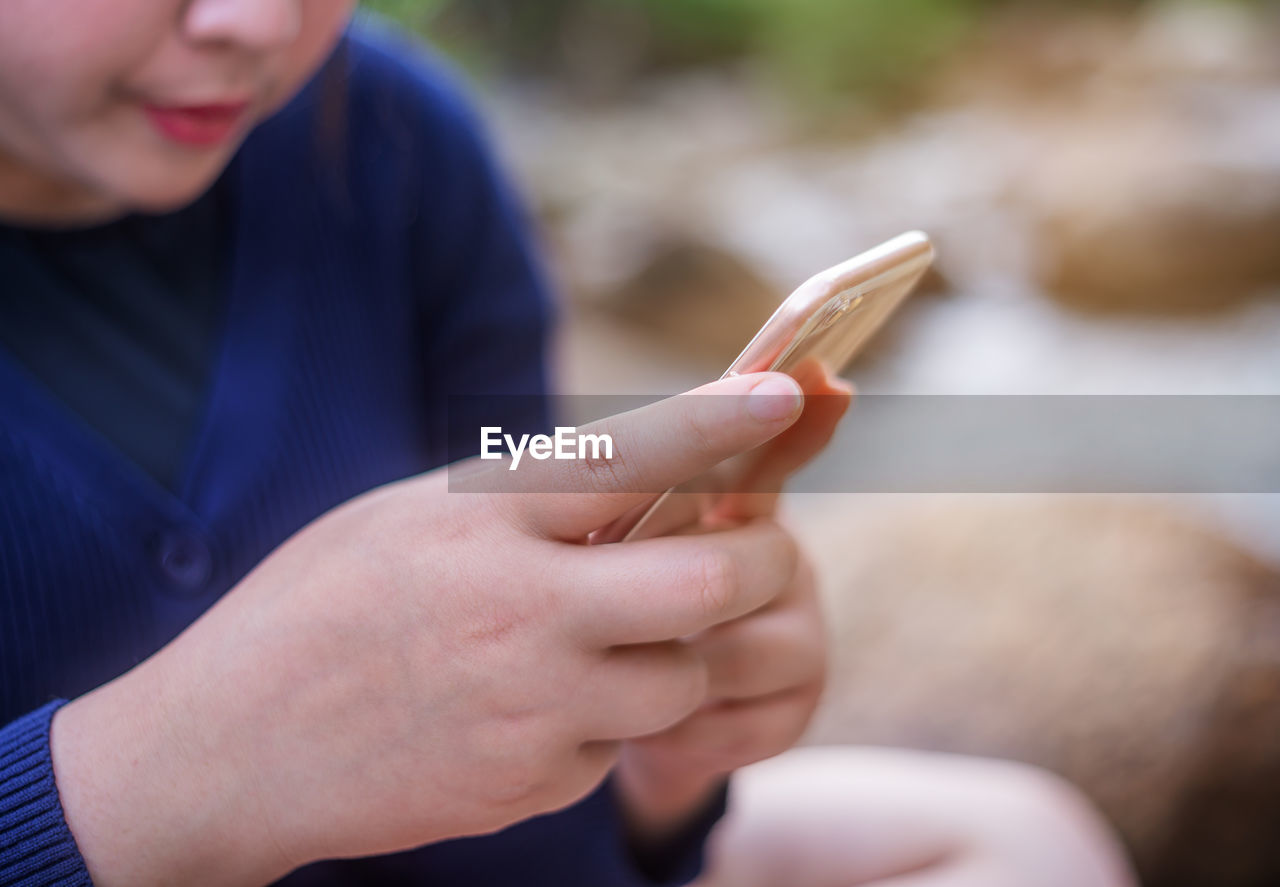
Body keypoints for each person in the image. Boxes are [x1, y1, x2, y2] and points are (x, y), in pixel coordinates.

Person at [0, 2, 1136, 885]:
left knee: (1024, 839)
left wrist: (644, 752)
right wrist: (175, 765)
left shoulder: (389, 140)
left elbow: (499, 455)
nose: (251, 24)